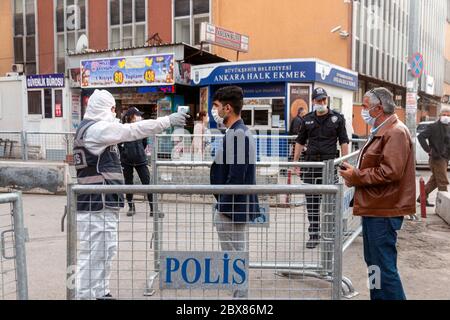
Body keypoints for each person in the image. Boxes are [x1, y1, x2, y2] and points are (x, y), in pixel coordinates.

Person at [73, 89, 188, 300]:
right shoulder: (96, 130)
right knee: (93, 255)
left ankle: (100, 292)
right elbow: (132, 130)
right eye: (112, 109)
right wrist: (166, 121)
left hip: (102, 202)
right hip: (96, 202)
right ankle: (84, 296)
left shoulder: (91, 129)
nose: (114, 113)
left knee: (105, 250)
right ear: (104, 109)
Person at [339, 87, 415, 300]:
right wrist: (355, 175)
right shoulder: (382, 131)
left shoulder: (395, 132)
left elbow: (390, 172)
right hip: (376, 208)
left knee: (384, 267)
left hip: (384, 211)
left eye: (364, 106)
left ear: (378, 108)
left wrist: (357, 176)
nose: (362, 111)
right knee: (374, 265)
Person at [210, 86, 261, 299]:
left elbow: (236, 176)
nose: (215, 111)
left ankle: (241, 297)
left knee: (235, 253)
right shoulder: (235, 132)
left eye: (216, 107)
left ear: (228, 108)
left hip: (232, 208)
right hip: (231, 206)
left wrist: (223, 206)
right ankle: (239, 293)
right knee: (234, 252)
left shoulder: (238, 134)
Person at [293, 87, 349, 249]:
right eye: (319, 101)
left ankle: (330, 233)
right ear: (313, 102)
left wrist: (344, 162)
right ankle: (314, 235)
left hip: (329, 165)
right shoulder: (307, 119)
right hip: (311, 165)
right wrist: (296, 163)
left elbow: (344, 141)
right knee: (312, 203)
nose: (322, 103)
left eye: (324, 100)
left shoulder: (337, 119)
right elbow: (300, 141)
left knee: (331, 202)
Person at [119, 107, 160, 217]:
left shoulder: (141, 128)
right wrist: (125, 153)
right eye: (137, 115)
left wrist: (139, 151)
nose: (140, 117)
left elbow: (144, 143)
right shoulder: (123, 128)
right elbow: (119, 145)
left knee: (147, 183)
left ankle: (153, 208)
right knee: (128, 184)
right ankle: (131, 207)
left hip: (141, 160)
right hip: (126, 161)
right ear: (132, 117)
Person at [417, 106, 450, 207]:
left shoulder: (449, 126)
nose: (446, 117)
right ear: (439, 116)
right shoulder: (433, 127)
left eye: (448, 115)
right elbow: (421, 136)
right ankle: (445, 206)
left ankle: (421, 198)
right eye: (444, 115)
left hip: (445, 158)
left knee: (435, 180)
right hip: (437, 158)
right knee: (443, 181)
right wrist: (428, 150)